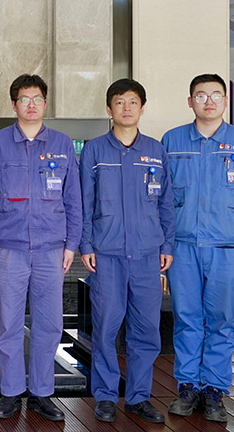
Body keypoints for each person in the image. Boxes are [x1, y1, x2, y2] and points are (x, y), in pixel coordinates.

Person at [162, 73, 234, 423]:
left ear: (226, 100)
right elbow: (161, 198)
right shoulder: (172, 140)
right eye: (200, 95)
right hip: (183, 246)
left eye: (215, 95)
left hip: (229, 248)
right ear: (189, 101)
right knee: (186, 318)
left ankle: (214, 391)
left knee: (222, 320)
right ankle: (187, 387)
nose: (208, 101)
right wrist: (163, 244)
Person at [0, 74, 81, 422]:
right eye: (24, 99)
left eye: (37, 98)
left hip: (50, 249)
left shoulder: (62, 143)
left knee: (49, 324)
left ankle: (41, 393)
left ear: (45, 103)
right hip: (8, 249)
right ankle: (11, 392)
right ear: (14, 105)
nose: (31, 105)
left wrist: (72, 243)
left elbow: (73, 197)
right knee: (9, 324)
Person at [79, 79, 175, 424]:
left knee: (146, 330)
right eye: (119, 102)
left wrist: (167, 244)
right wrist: (86, 244)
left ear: (142, 108)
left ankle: (138, 397)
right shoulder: (94, 151)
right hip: (106, 255)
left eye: (133, 102)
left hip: (148, 255)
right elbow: (84, 202)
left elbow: (166, 203)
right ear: (109, 109)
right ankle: (105, 396)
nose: (126, 108)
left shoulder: (155, 150)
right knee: (105, 328)